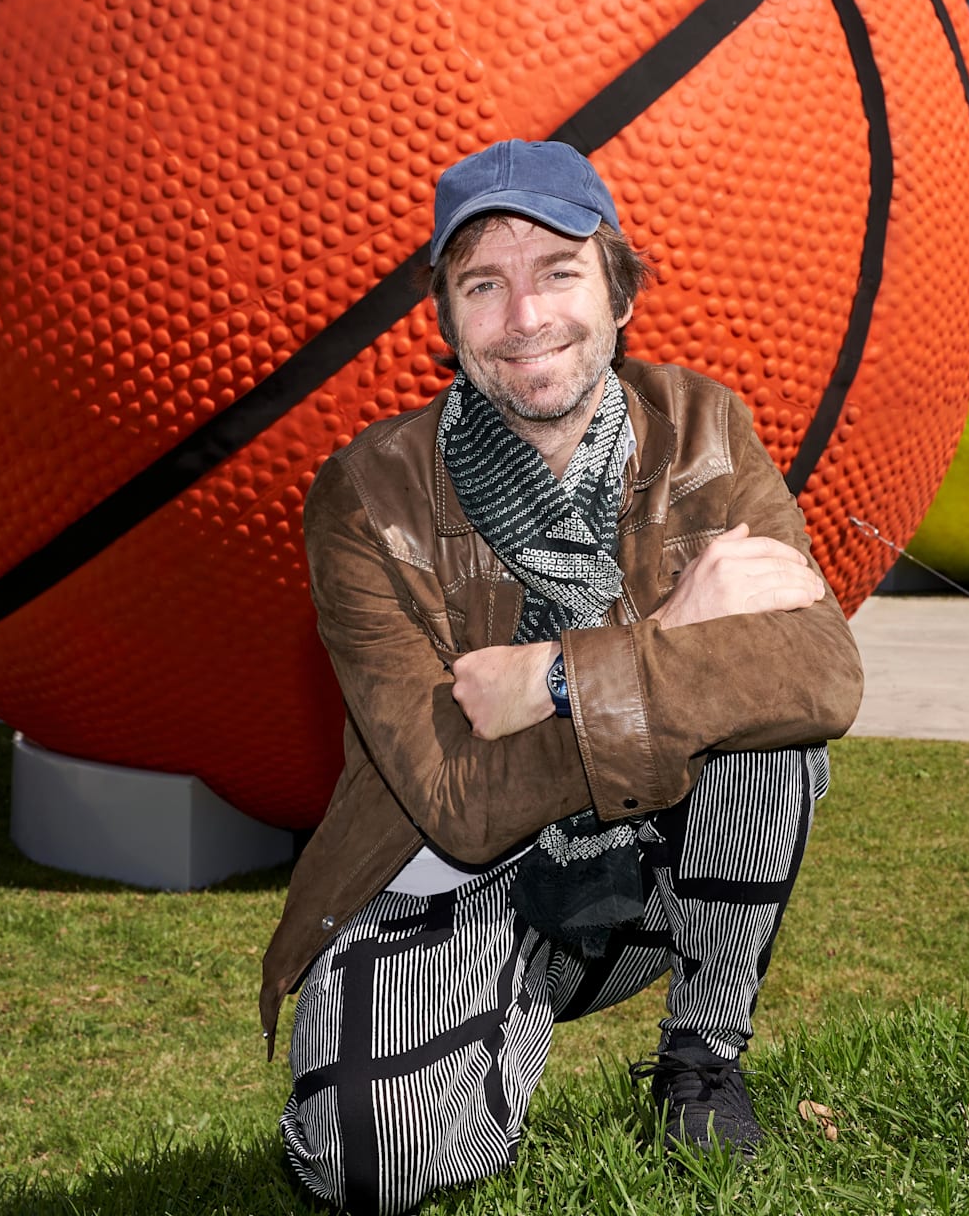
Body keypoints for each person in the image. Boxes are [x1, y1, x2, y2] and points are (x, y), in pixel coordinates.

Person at [259, 140, 864, 1214]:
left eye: (558, 272)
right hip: (454, 881)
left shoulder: (704, 431)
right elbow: (457, 798)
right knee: (376, 1166)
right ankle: (474, 1018)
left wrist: (557, 676)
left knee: (770, 734)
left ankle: (702, 1055)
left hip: (650, 872)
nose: (526, 317)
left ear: (619, 287)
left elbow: (822, 676)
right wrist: (685, 628)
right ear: (444, 319)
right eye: (482, 284)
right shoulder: (364, 498)